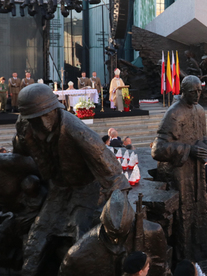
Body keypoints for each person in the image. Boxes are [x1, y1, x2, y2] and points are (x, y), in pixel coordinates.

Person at [11, 84, 130, 274]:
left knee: (81, 244)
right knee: (36, 241)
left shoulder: (77, 131)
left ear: (50, 113)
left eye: (38, 119)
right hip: (58, 189)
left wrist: (117, 213)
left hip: (87, 191)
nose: (35, 124)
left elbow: (113, 174)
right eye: (30, 120)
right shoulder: (27, 126)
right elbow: (20, 151)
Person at [151, 75, 207, 262]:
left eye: (200, 91)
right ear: (183, 92)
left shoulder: (200, 110)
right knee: (182, 217)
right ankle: (182, 259)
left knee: (199, 211)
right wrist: (188, 150)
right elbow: (157, 149)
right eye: (193, 92)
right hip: (179, 175)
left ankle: (199, 252)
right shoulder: (174, 113)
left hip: (197, 174)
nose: (198, 95)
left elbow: (205, 139)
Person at [59, 190, 169, 276]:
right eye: (113, 236)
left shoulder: (152, 232)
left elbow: (161, 270)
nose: (117, 241)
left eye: (123, 235)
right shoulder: (77, 255)